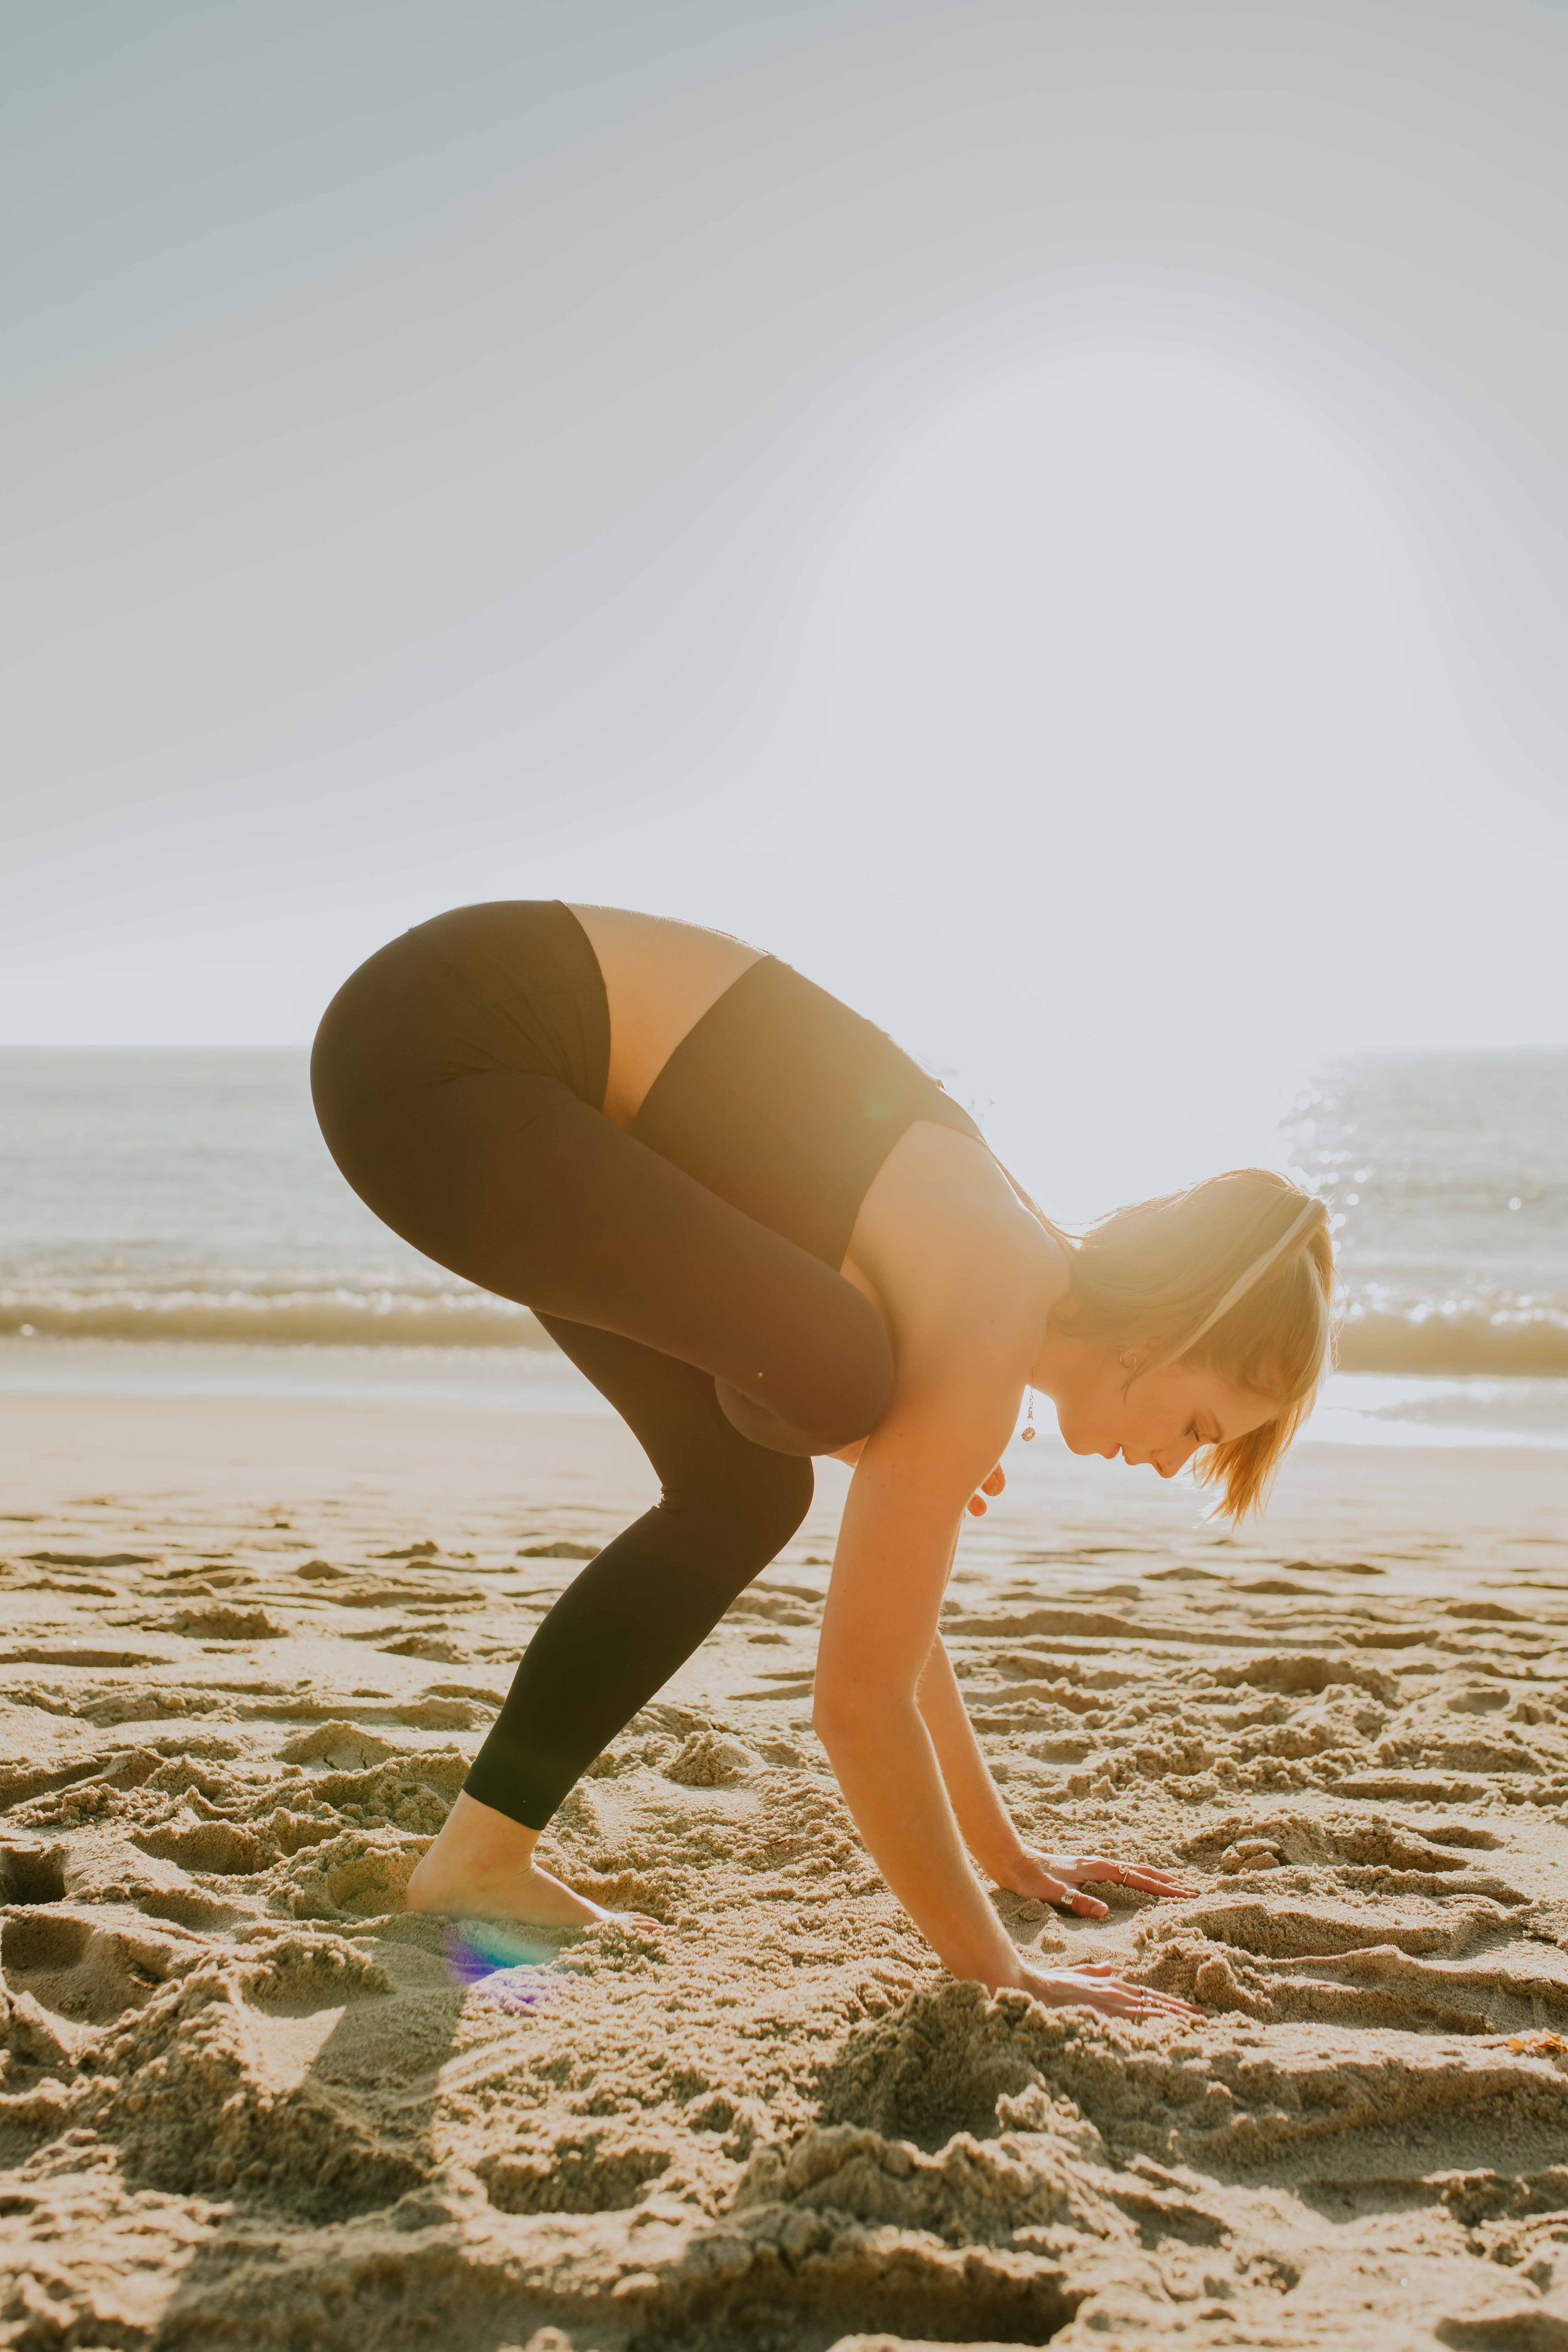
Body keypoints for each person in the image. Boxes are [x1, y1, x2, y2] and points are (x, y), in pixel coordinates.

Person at [310, 900, 1335, 2024]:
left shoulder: (991, 1264)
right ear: (1170, 1334)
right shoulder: (992, 1298)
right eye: (1198, 1428)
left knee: (746, 1486)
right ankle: (482, 1854)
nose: (1171, 1465)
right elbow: (858, 1703)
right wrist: (1002, 1969)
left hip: (455, 1060)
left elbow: (896, 1617)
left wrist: (1003, 1852)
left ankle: (477, 1861)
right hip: (455, 1054)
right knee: (837, 1396)